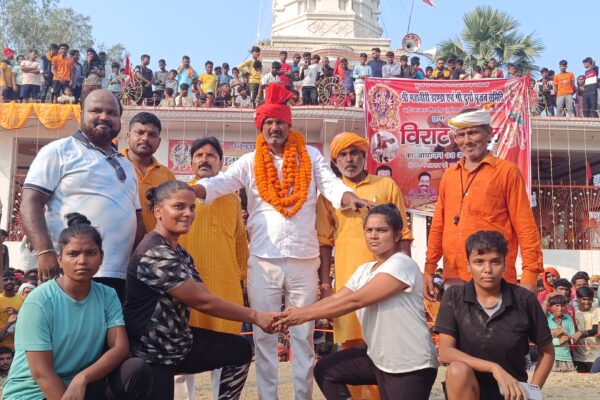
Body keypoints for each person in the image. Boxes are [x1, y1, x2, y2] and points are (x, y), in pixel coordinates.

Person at [191, 84, 370, 399]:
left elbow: (330, 183)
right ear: (261, 126)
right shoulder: (249, 161)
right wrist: (195, 189)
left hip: (304, 260)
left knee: (303, 335)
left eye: (280, 122)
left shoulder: (310, 156)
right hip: (263, 261)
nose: (275, 128)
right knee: (264, 338)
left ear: (289, 125)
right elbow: (223, 182)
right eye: (269, 122)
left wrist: (347, 196)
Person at [124, 180, 277, 400]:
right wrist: (255, 316)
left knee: (240, 350)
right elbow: (202, 302)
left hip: (180, 344)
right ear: (158, 211)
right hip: (153, 354)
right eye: (179, 206)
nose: (188, 213)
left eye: (192, 207)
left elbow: (205, 296)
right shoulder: (154, 252)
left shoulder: (179, 251)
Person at [277, 204, 438, 400]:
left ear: (397, 235)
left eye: (381, 230)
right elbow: (338, 298)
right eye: (369, 230)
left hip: (410, 363)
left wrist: (303, 315)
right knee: (326, 370)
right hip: (378, 358)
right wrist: (294, 314)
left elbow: (357, 300)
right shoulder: (364, 270)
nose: (373, 236)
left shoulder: (403, 264)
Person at [2, 213, 152, 399]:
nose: (82, 261)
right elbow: (42, 374)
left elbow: (120, 348)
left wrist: (82, 378)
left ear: (101, 257)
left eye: (91, 253)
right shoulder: (39, 301)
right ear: (60, 259)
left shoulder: (107, 295)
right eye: (73, 254)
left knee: (135, 370)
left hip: (79, 386)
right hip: (34, 392)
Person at [20, 89, 143, 301]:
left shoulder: (127, 165)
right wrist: (45, 251)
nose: (104, 116)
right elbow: (30, 202)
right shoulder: (58, 151)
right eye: (96, 110)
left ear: (119, 119)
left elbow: (137, 218)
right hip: (72, 271)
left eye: (112, 112)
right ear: (81, 114)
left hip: (119, 276)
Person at [424, 108, 543, 300]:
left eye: (473, 132)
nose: (466, 140)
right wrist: (430, 267)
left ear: (489, 133)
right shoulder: (449, 176)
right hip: (454, 277)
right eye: (461, 134)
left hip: (494, 278)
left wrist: (530, 277)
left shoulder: (507, 172)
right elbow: (438, 225)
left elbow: (526, 228)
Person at [317, 132, 413, 351]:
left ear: (364, 156)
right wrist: (325, 286)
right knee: (351, 345)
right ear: (335, 162)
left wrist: (405, 273)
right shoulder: (329, 195)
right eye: (342, 155)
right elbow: (324, 241)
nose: (349, 160)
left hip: (385, 276)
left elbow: (403, 233)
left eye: (354, 153)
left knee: (386, 341)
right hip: (347, 279)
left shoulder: (386, 185)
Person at [434, 230, 554, 400]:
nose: (487, 269)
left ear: (505, 264)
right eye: (479, 262)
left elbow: (547, 351)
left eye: (495, 262)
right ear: (468, 265)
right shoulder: (454, 297)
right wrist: (494, 368)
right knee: (457, 370)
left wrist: (533, 392)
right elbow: (445, 352)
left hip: (512, 393)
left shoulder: (524, 300)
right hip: (468, 391)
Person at [175, 137, 250, 399]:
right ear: (191, 163)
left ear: (220, 163)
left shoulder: (233, 199)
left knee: (226, 352)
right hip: (186, 287)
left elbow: (239, 243)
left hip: (225, 288)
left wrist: (243, 279)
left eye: (211, 156)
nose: (205, 160)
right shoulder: (180, 195)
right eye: (199, 155)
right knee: (182, 357)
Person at [121, 112, 175, 233]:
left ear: (159, 141)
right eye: (140, 132)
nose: (145, 138)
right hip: (118, 243)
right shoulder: (113, 166)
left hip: (155, 243)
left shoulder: (167, 175)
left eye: (152, 135)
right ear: (128, 136)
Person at [547, 295, 578, 372]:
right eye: (557, 305)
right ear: (550, 307)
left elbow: (573, 338)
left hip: (567, 357)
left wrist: (563, 332)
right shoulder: (546, 318)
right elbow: (543, 341)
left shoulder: (568, 318)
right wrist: (559, 341)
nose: (560, 308)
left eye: (562, 306)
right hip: (551, 358)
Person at [573, 286, 600, 373]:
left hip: (595, 355)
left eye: (589, 299)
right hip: (578, 356)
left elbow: (595, 330)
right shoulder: (574, 313)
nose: (587, 302)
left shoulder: (597, 311)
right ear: (578, 299)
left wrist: (580, 333)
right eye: (584, 299)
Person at [0, 270, 23, 346]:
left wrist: (17, 313)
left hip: (19, 345)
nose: (9, 281)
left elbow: (28, 319)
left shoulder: (23, 299)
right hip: (3, 346)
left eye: (11, 279)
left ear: (15, 281)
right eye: (5, 280)